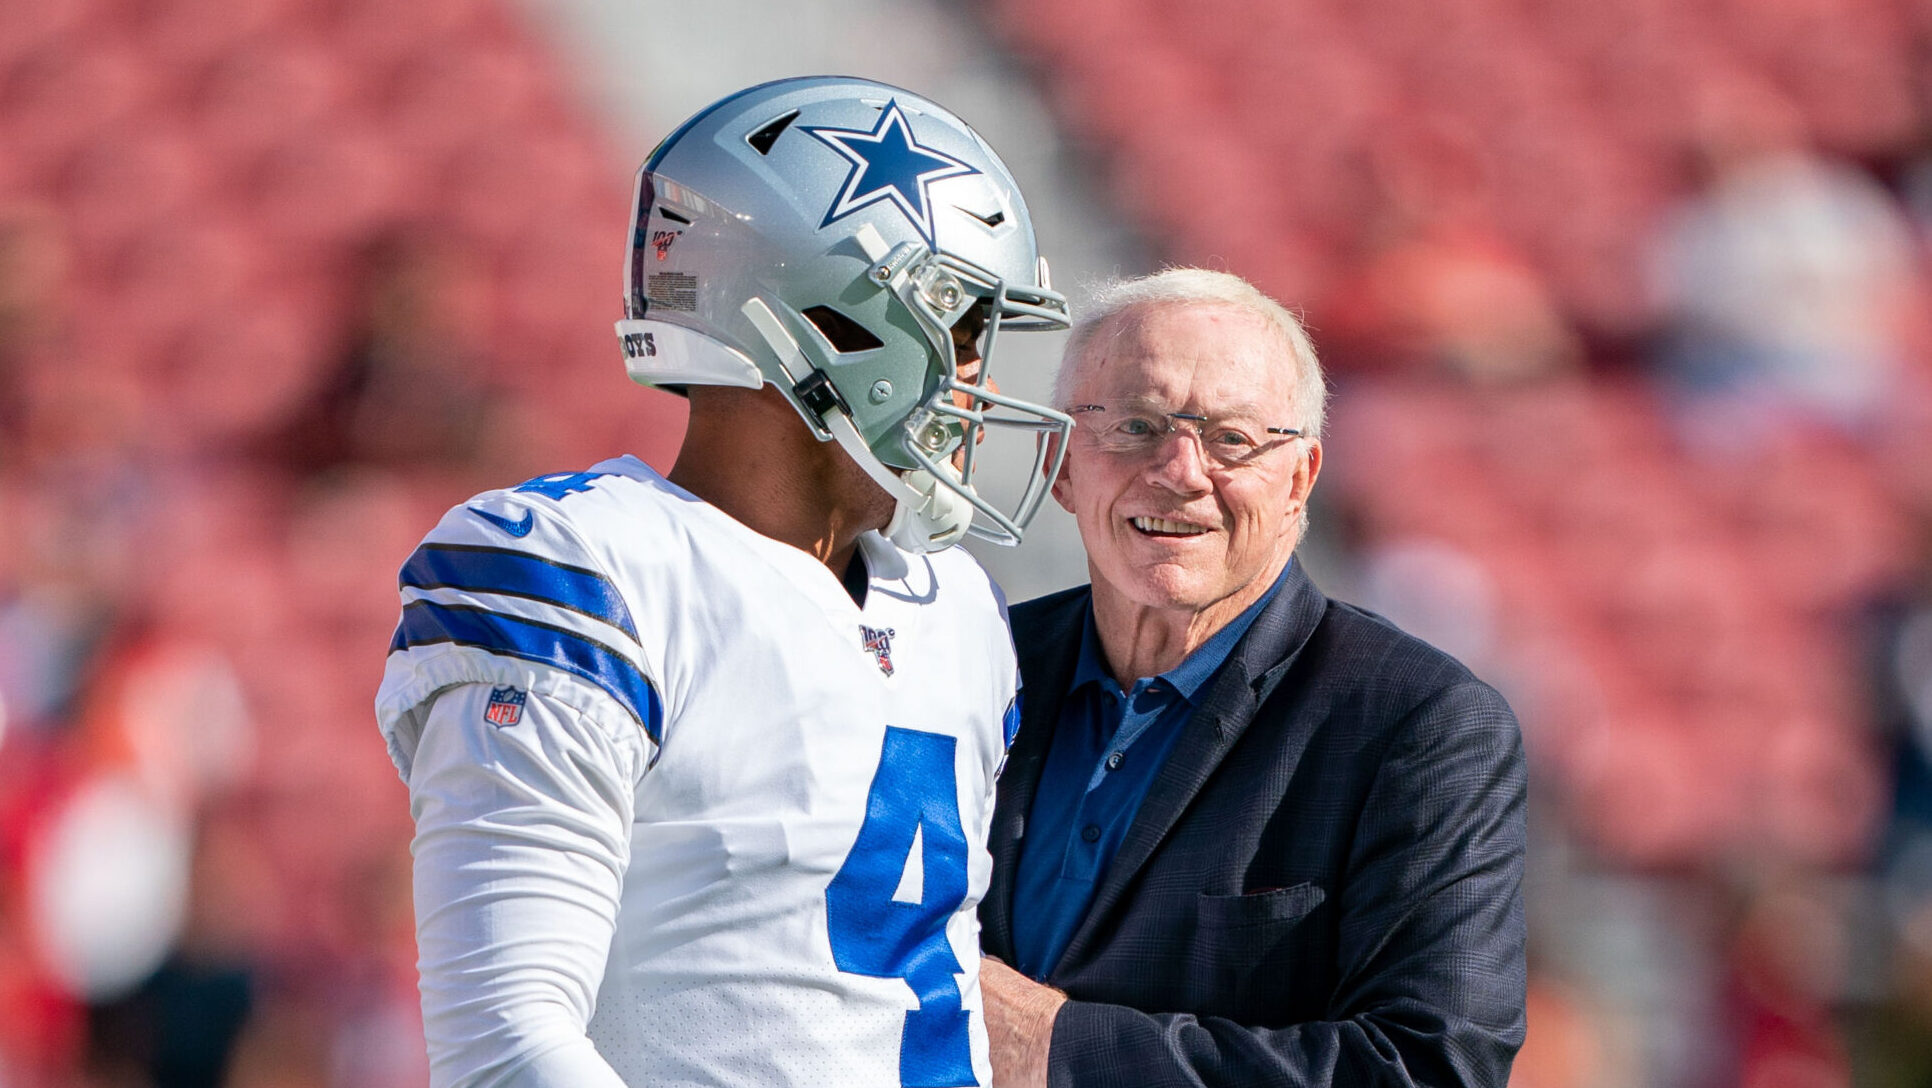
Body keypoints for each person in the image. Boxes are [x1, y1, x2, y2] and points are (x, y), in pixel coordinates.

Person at [375, 76, 1076, 1088]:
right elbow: (506, 1047)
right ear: (828, 320)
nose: (985, 384)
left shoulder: (957, 607)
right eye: (961, 330)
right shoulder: (595, 572)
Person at [977, 268, 1528, 1087]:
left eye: (1232, 439)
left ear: (1300, 481)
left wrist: (1057, 1047)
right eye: (1135, 425)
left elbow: (1428, 1069)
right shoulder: (974, 660)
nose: (1181, 470)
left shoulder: (1418, 726)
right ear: (1060, 462)